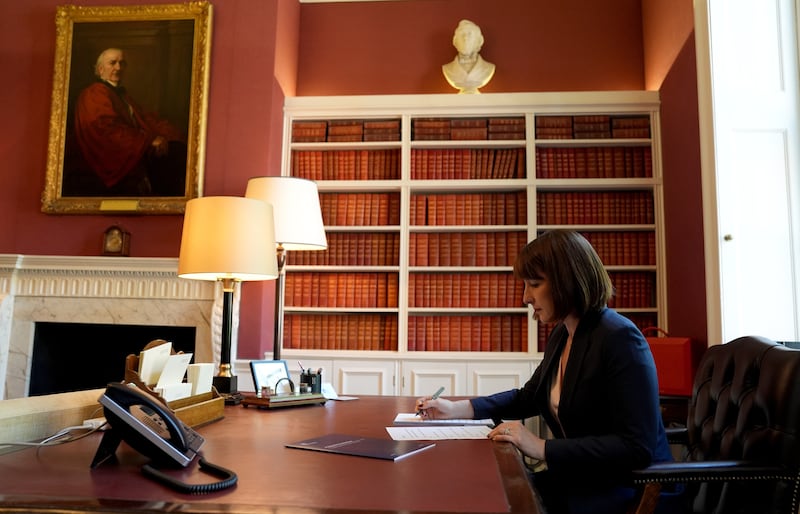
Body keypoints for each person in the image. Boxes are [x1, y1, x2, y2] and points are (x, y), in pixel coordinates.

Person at [416, 230, 675, 514]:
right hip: (583, 479)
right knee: (480, 490)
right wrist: (457, 409)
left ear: (568, 281)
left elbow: (636, 446)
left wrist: (540, 447)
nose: (526, 297)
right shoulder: (563, 334)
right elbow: (529, 397)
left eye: (534, 284)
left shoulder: (620, 338)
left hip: (629, 490)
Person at [69, 47, 187, 196]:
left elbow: (144, 119)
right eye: (113, 63)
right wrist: (149, 140)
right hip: (109, 156)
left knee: (177, 149)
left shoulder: (120, 94)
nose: (118, 68)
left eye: (122, 63)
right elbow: (105, 129)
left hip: (133, 145)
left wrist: (172, 134)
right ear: (100, 69)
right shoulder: (94, 93)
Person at [442, 19, 496, 94]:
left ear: (479, 41)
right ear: (455, 41)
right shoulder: (448, 69)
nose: (465, 38)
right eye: (462, 34)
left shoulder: (488, 68)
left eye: (470, 34)